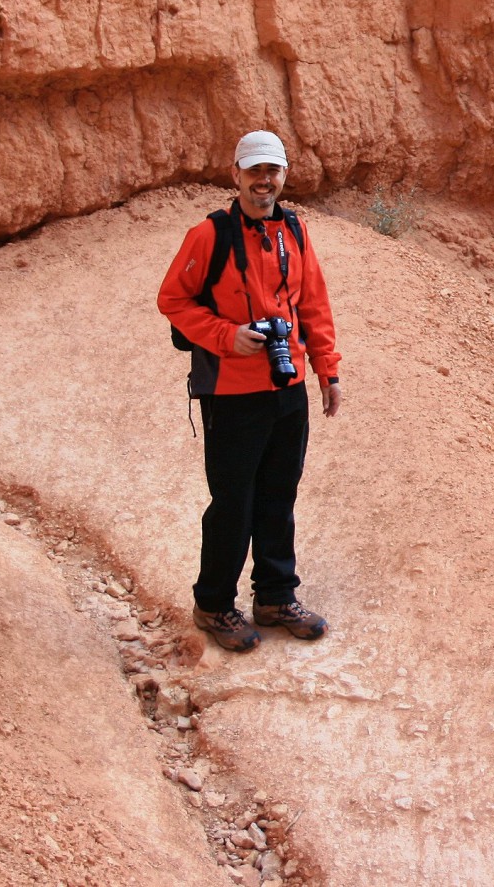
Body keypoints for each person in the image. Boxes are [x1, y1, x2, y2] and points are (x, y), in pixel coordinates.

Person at [157, 130, 343, 652]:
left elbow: (314, 306)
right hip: (232, 393)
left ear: (283, 176)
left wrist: (327, 371)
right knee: (233, 502)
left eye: (273, 171)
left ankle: (275, 596)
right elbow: (173, 299)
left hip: (286, 387)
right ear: (236, 174)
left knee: (278, 495)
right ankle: (214, 605)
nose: (265, 181)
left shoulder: (294, 231)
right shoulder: (209, 235)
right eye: (255, 171)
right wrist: (225, 336)